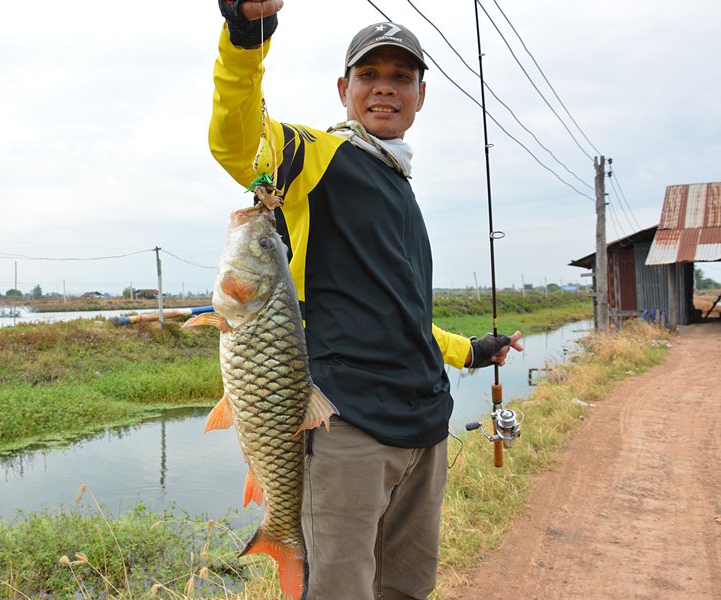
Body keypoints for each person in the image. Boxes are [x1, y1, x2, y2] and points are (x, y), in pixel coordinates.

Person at [209, 2, 523, 598]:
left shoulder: (400, 183)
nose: (385, 88)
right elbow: (235, 139)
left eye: (400, 77)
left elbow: (400, 317)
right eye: (369, 75)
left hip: (425, 429)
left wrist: (470, 353)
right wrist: (247, 35)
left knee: (406, 589)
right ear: (343, 88)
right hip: (346, 428)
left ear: (421, 94)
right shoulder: (316, 158)